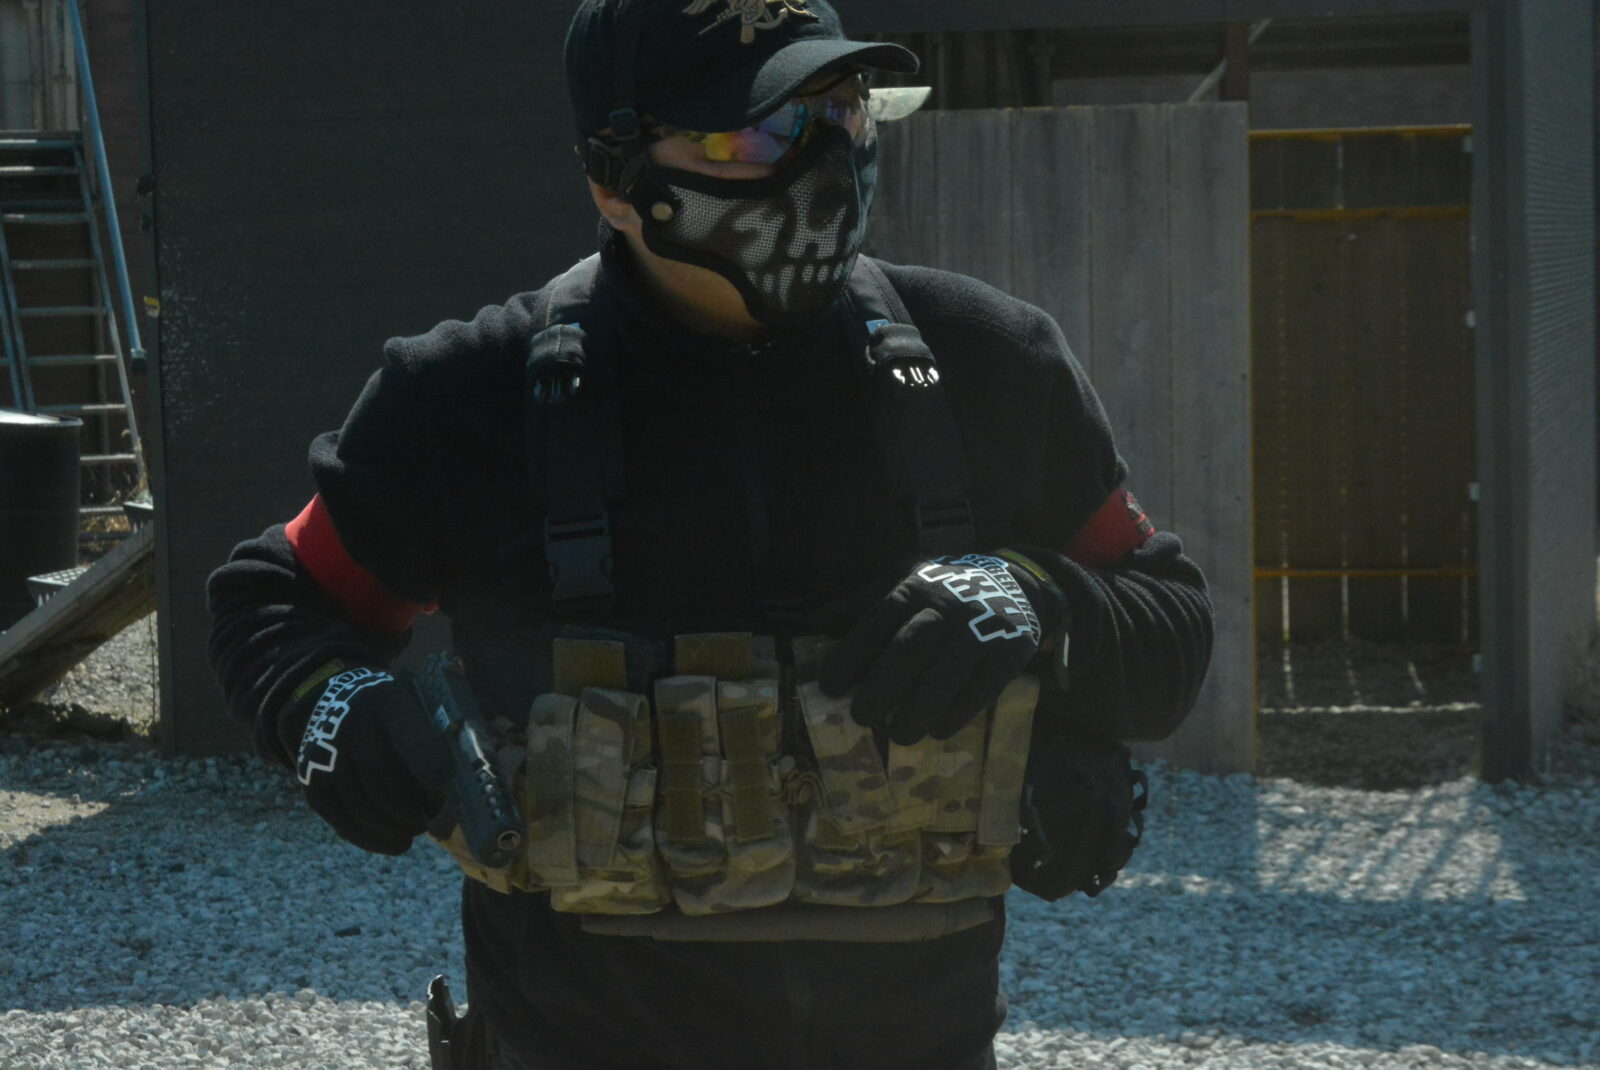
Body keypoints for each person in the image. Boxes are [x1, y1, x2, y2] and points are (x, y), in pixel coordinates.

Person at [206, 1, 1214, 1067]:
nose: (819, 163)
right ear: (613, 179)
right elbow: (275, 600)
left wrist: (1042, 600)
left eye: (841, 112)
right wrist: (335, 712)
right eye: (751, 136)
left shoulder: (987, 363)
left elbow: (1170, 621)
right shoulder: (469, 396)